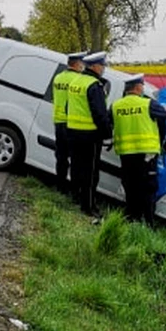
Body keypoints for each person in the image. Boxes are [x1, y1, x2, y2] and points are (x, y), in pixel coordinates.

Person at [111, 74, 166, 223]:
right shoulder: (147, 104)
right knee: (148, 190)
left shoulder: (116, 105)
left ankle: (131, 219)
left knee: (130, 187)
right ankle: (148, 223)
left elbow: (109, 122)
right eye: (142, 86)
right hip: (146, 155)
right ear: (138, 87)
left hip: (126, 154)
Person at [66, 51, 112, 215]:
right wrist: (107, 134)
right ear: (95, 66)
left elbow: (68, 106)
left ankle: (76, 198)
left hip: (72, 131)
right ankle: (89, 207)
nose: (104, 69)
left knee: (77, 168)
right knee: (91, 173)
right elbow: (99, 114)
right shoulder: (94, 85)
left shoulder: (76, 81)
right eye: (102, 65)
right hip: (89, 135)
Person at [51, 52, 87, 195]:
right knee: (76, 159)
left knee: (61, 157)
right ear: (77, 64)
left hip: (58, 122)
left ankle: (60, 186)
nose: (82, 67)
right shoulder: (78, 79)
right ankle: (74, 189)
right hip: (72, 124)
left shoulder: (58, 77)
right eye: (81, 64)